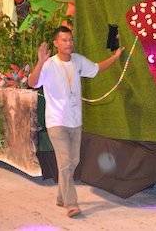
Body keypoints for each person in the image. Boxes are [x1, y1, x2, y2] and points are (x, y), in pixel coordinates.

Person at [27, 26, 123, 218]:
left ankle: (62, 196)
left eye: (70, 39)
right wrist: (39, 62)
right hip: (56, 122)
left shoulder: (78, 61)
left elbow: (96, 69)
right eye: (64, 40)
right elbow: (32, 82)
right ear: (56, 43)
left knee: (73, 161)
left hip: (75, 121)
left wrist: (115, 57)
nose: (68, 43)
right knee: (64, 163)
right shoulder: (49, 64)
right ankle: (71, 204)